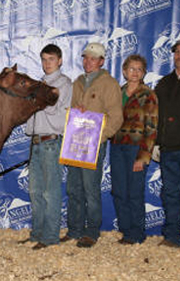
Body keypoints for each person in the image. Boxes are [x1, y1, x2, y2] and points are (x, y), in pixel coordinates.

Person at [61, 42, 123, 248]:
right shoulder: (77, 82)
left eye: (94, 58)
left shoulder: (109, 84)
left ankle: (91, 231)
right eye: (86, 57)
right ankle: (74, 229)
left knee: (90, 189)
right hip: (76, 143)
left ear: (102, 61)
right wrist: (76, 113)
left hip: (93, 145)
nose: (88, 61)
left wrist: (100, 137)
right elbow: (71, 112)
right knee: (73, 188)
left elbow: (116, 117)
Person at [21, 44, 72, 249]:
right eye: (43, 59)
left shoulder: (65, 84)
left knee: (50, 191)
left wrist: (44, 101)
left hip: (52, 140)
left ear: (59, 61)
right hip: (36, 141)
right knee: (35, 190)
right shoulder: (39, 84)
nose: (47, 63)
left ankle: (50, 236)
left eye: (51, 59)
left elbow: (63, 118)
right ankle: (37, 233)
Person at [110, 55, 158, 245]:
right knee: (119, 191)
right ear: (124, 71)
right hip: (117, 147)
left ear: (144, 73)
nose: (135, 72)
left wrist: (143, 157)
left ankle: (137, 233)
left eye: (139, 69)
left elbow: (152, 128)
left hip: (136, 149)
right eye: (132, 69)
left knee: (135, 192)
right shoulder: (118, 93)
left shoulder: (148, 95)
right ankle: (126, 230)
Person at [155, 37, 180, 248]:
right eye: (177, 52)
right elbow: (155, 115)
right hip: (167, 149)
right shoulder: (164, 83)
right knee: (170, 194)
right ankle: (172, 236)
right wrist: (156, 143)